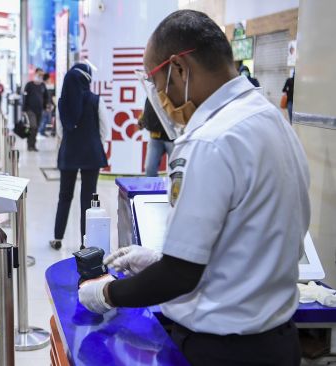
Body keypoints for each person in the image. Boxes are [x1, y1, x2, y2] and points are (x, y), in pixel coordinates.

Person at [78, 10, 309, 366]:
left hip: (221, 351)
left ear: (180, 69)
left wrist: (104, 293)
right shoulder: (272, 122)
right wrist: (158, 259)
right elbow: (249, 239)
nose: (160, 97)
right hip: (277, 343)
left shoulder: (209, 141)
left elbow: (178, 275)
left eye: (158, 83)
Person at [49, 64, 108, 250]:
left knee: (64, 196)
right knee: (88, 199)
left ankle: (58, 237)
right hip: (91, 154)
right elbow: (104, 130)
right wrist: (92, 142)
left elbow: (60, 131)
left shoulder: (62, 102)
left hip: (68, 153)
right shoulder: (96, 100)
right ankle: (86, 243)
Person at [139, 98, 174, 176]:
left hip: (173, 138)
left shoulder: (172, 89)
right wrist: (142, 119)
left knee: (175, 170)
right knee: (150, 168)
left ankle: (174, 188)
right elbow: (149, 107)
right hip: (155, 136)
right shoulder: (151, 89)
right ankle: (152, 188)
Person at [22, 68, 50, 151]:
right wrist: (24, 109)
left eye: (42, 75)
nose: (40, 76)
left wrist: (47, 106)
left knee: (36, 127)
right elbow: (24, 97)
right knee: (33, 126)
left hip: (39, 110)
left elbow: (46, 97)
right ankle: (30, 145)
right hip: (29, 110)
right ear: (35, 74)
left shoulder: (42, 85)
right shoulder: (29, 85)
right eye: (39, 74)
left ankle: (33, 145)